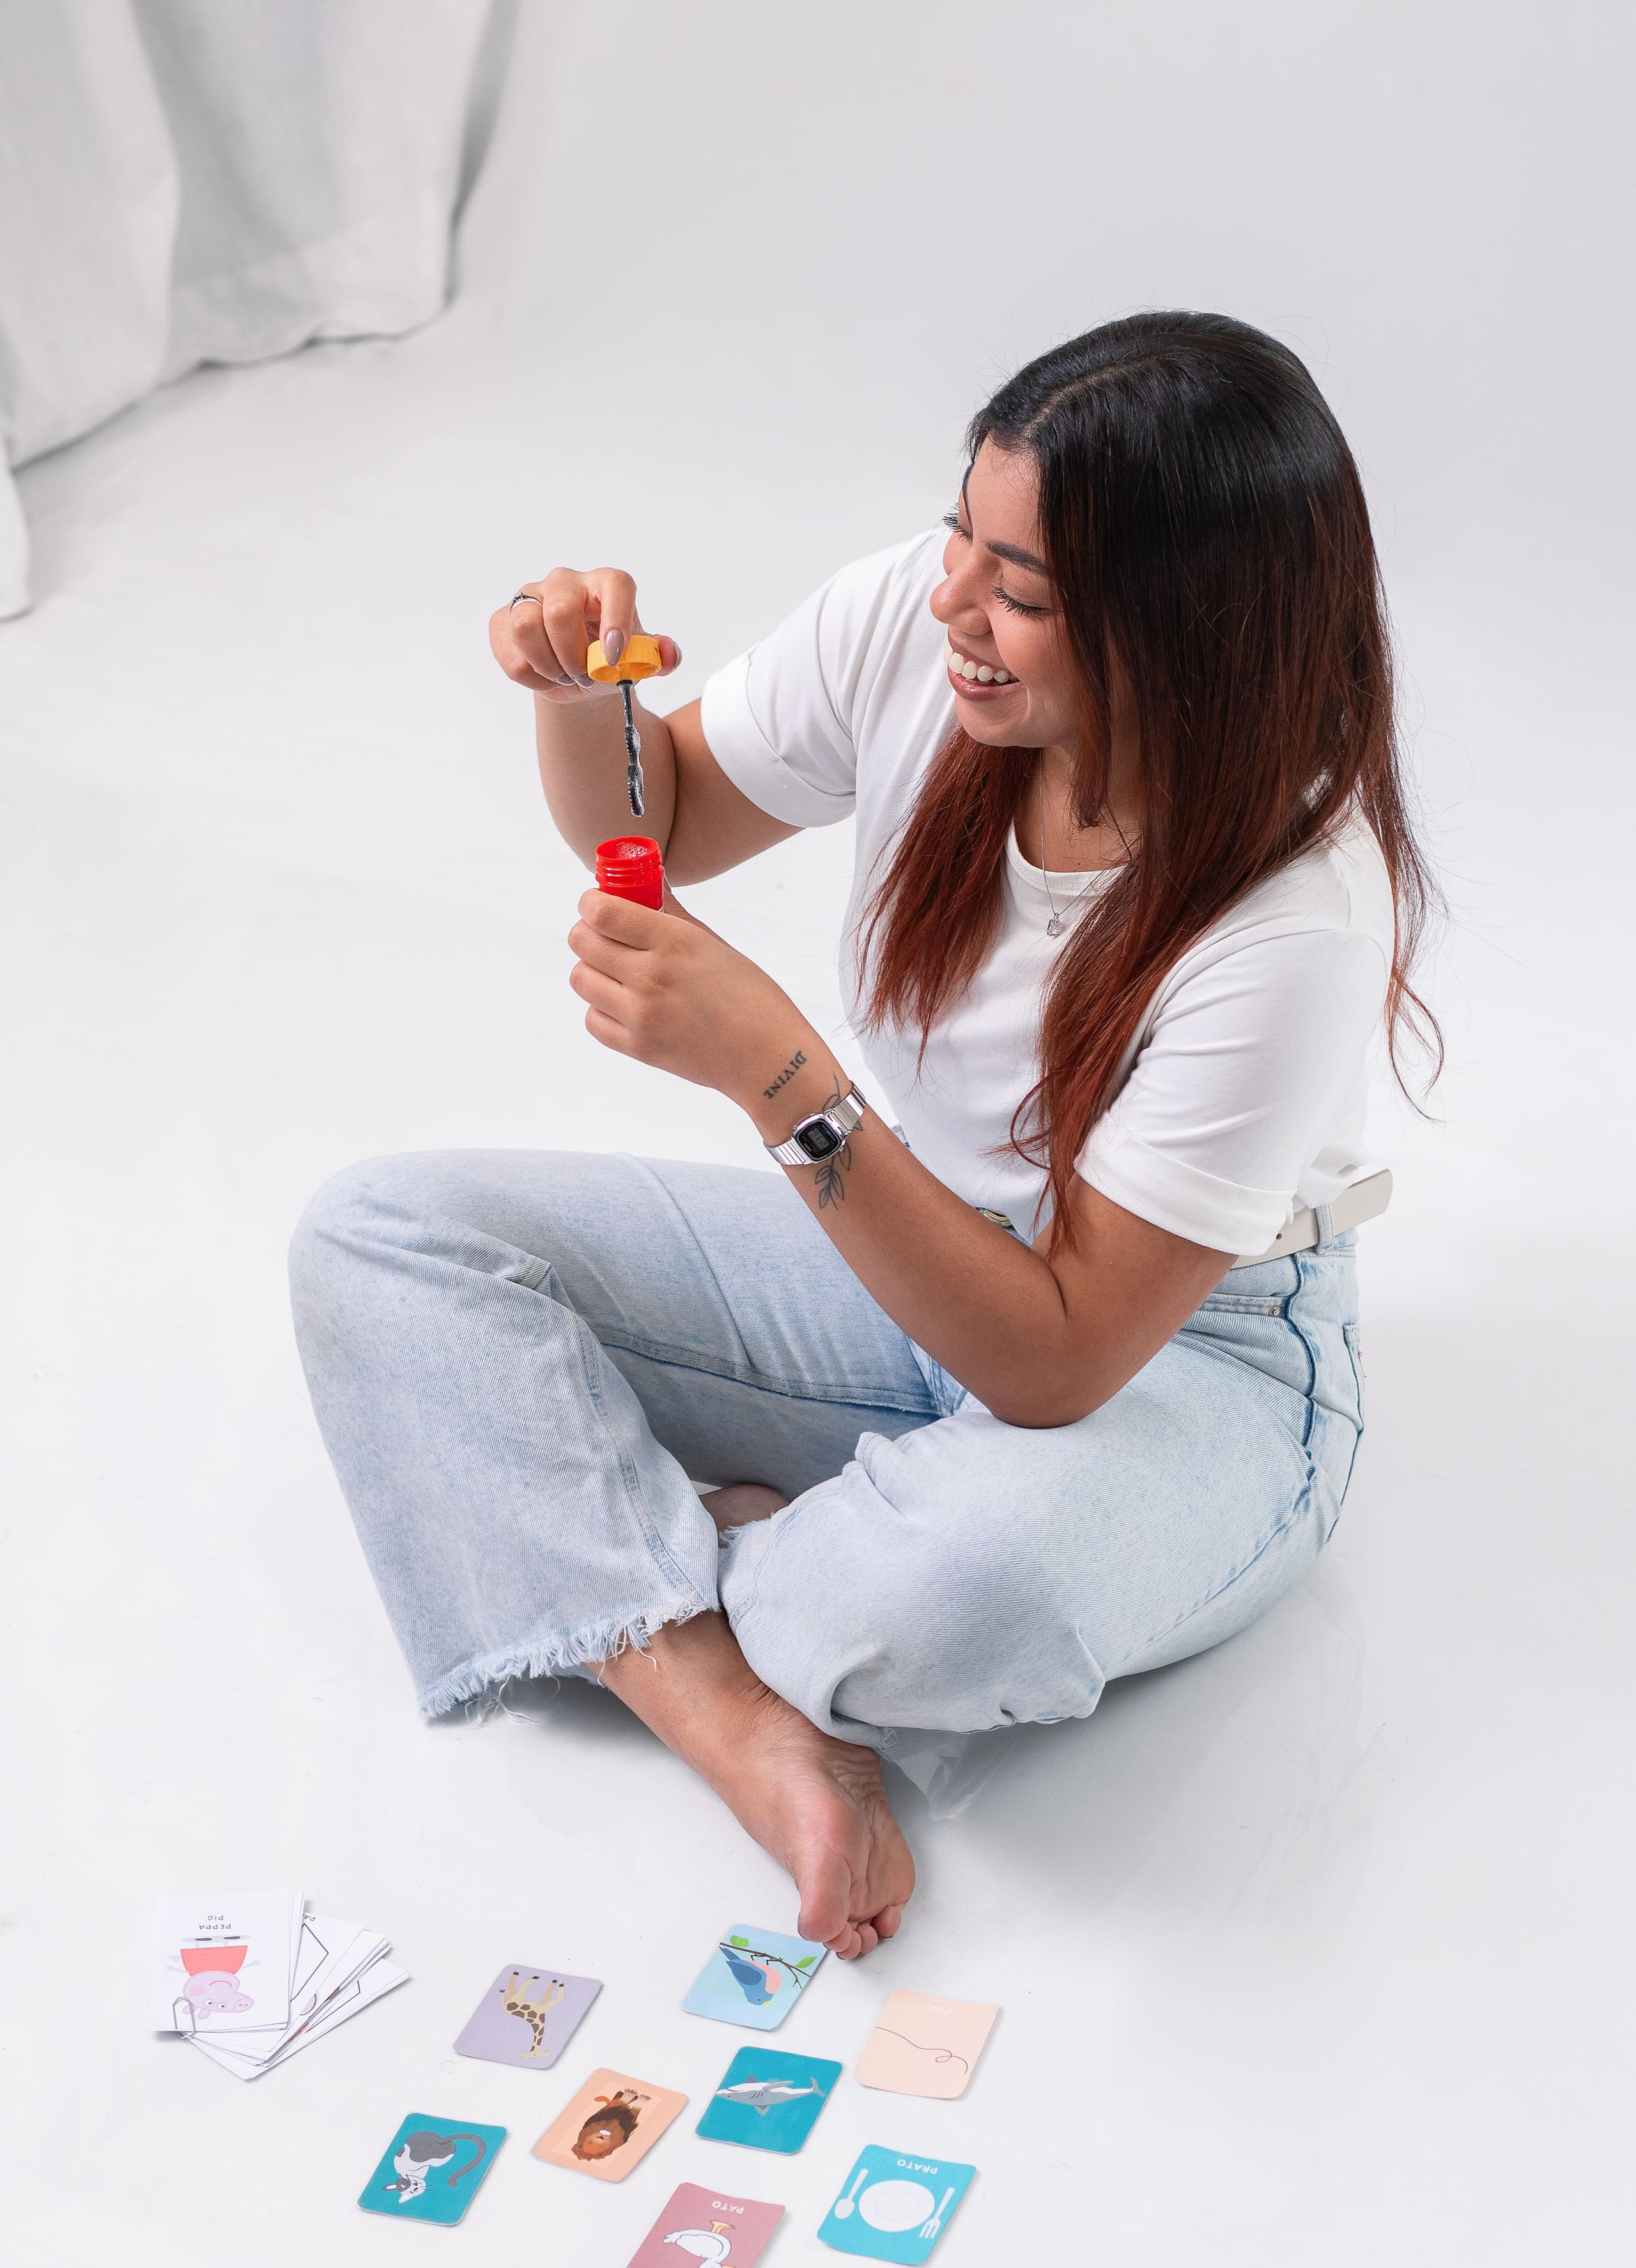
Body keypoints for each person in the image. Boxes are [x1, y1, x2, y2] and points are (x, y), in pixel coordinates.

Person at [289, 312, 1439, 1963]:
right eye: (963, 536)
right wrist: (577, 693)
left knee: (958, 1598)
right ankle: (733, 1714)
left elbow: (1056, 1361)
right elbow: (656, 814)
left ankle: (706, 1558)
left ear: (1182, 632)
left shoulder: (1296, 910)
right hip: (909, 1247)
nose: (950, 602)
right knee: (380, 1241)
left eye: (1020, 592)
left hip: (1191, 1357)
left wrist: (778, 1072)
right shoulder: (920, 631)